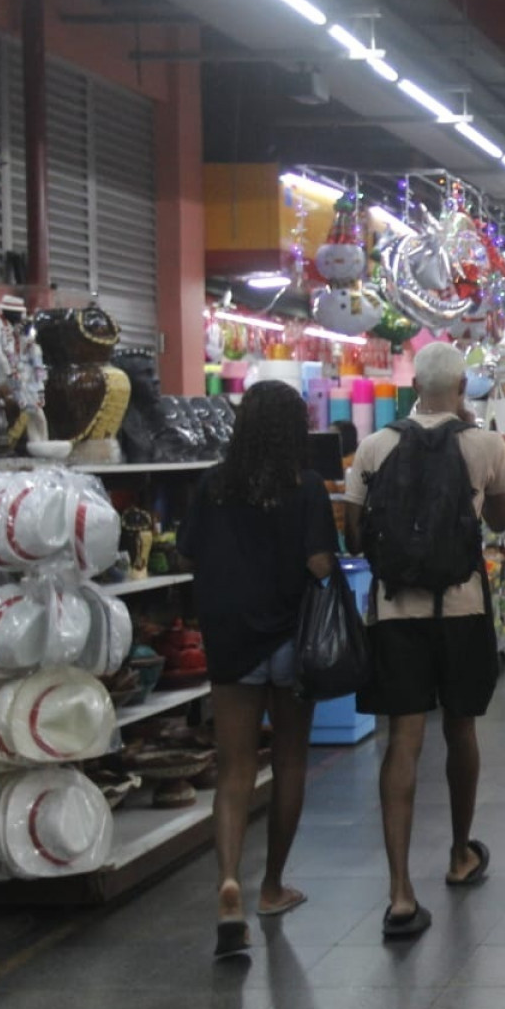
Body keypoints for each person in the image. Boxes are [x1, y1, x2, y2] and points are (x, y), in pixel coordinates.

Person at [342, 343, 505, 938]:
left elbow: (355, 533)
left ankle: (398, 893)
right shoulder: (485, 445)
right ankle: (460, 853)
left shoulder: (374, 445)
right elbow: (499, 522)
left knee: (404, 742)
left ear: (413, 384)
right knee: (461, 728)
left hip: (394, 613)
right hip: (461, 608)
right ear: (463, 386)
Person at [181, 381, 338, 958]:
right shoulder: (308, 487)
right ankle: (270, 887)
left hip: (231, 638)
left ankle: (228, 882)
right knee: (292, 760)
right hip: (292, 639)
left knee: (235, 768)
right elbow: (319, 562)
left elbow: (188, 553)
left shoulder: (212, 485)